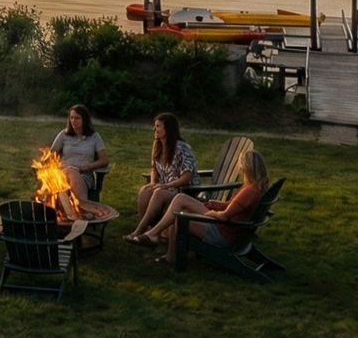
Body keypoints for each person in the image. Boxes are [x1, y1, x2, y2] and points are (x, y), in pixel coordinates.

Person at [146, 149, 267, 261]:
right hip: (226, 228)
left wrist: (211, 213)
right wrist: (217, 204)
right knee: (181, 203)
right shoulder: (253, 188)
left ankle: (166, 249)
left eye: (241, 164)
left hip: (222, 234)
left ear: (247, 167)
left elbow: (224, 216)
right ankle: (161, 237)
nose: (240, 168)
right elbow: (233, 206)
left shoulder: (249, 191)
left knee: (180, 214)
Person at [124, 111, 196, 242]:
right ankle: (145, 229)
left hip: (184, 192)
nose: (154, 129)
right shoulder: (157, 145)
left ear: (168, 129)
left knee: (158, 193)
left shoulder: (182, 148)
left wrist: (166, 185)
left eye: (158, 126)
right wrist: (152, 183)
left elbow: (187, 177)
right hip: (165, 188)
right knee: (145, 190)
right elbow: (154, 169)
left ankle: (139, 231)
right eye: (155, 126)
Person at [50, 104, 108, 202]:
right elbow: (50, 155)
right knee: (69, 173)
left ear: (84, 120)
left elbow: (104, 160)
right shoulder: (64, 134)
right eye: (71, 117)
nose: (73, 121)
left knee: (73, 175)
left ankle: (82, 206)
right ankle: (84, 208)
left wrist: (88, 167)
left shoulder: (94, 137)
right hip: (64, 173)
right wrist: (59, 165)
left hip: (84, 175)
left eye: (77, 118)